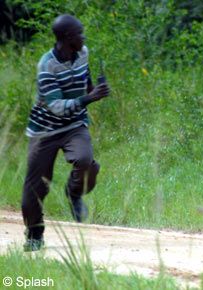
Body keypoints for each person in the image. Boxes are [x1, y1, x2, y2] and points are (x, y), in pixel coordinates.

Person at [21, 14, 110, 251]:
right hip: (45, 129)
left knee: (85, 160)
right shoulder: (46, 65)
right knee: (35, 188)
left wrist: (95, 89)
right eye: (80, 33)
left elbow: (84, 80)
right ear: (68, 38)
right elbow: (57, 106)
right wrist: (89, 98)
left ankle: (74, 194)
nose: (83, 37)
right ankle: (34, 235)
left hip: (74, 125)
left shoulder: (83, 52)